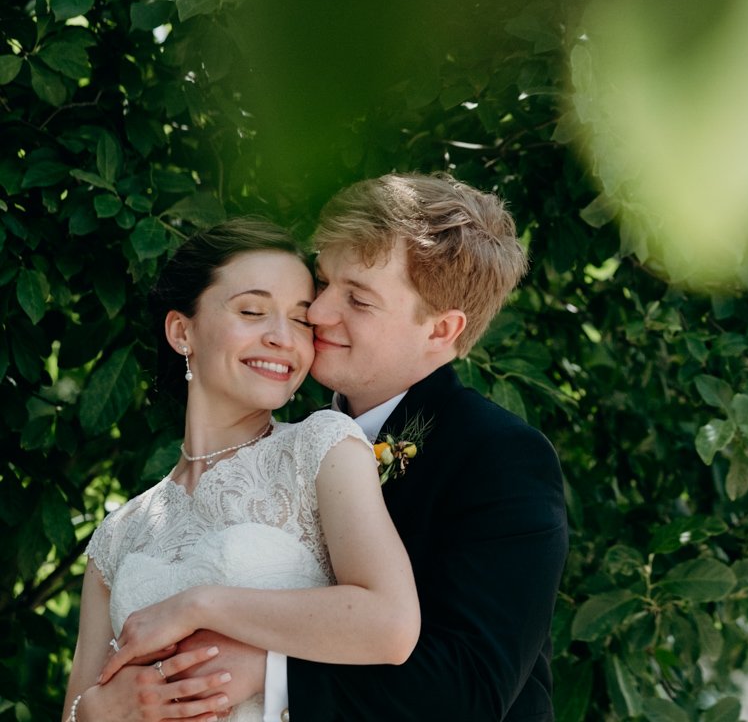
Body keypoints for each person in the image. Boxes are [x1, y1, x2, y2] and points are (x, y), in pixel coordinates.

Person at [185, 173, 568, 720]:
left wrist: (273, 672)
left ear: (441, 330)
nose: (316, 313)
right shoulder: (283, 443)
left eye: (358, 300)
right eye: (323, 283)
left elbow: (469, 688)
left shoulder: (501, 458)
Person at [63, 218, 421, 722]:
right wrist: (102, 709)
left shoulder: (324, 446)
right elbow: (76, 706)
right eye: (252, 311)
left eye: (300, 320)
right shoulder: (117, 536)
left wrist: (200, 604)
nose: (281, 337)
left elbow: (392, 624)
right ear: (181, 331)